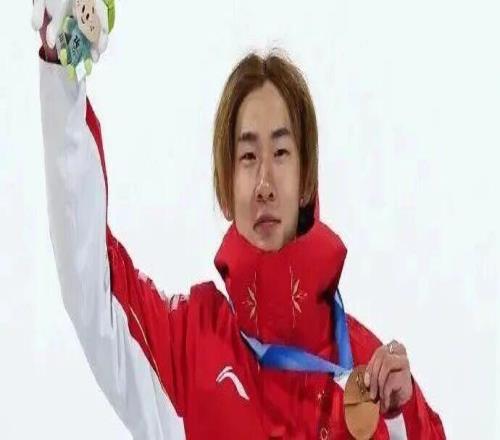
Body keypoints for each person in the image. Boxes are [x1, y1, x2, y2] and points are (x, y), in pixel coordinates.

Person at [35, 6, 445, 440]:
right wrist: (63, 70)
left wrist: (405, 418)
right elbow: (93, 283)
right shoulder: (187, 351)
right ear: (225, 189)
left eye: (281, 153)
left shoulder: (371, 379)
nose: (264, 184)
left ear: (306, 179)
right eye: (248, 157)